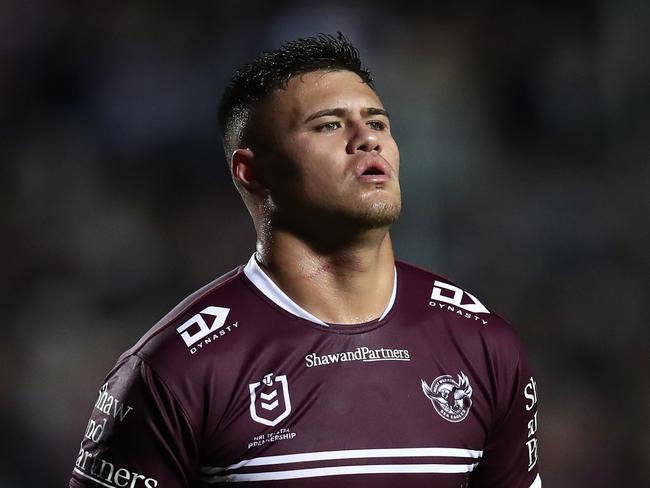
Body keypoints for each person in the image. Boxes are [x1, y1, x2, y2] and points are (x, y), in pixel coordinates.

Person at [70, 33, 541, 488]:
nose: (367, 140)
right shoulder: (176, 369)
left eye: (377, 123)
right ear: (252, 172)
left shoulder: (481, 342)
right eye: (329, 125)